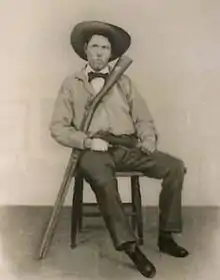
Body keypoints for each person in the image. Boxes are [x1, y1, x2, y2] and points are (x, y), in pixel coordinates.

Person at [50, 21, 189, 278]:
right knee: (104, 180)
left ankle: (166, 236)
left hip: (126, 146)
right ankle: (131, 248)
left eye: (105, 47)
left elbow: (143, 119)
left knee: (175, 167)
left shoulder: (124, 82)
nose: (100, 52)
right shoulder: (71, 84)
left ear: (111, 53)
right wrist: (88, 142)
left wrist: (148, 138)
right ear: (85, 50)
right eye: (95, 47)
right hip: (92, 151)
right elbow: (58, 128)